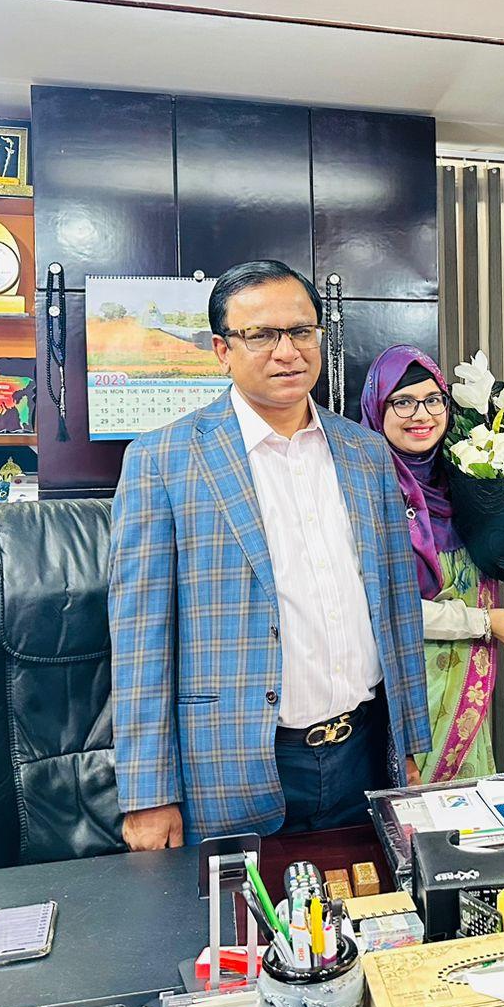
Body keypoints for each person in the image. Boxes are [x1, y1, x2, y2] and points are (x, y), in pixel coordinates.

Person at [109, 260, 432, 849]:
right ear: (222, 350)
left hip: (363, 754)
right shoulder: (163, 460)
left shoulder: (365, 453)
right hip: (231, 765)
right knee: (236, 911)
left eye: (301, 331)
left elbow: (397, 607)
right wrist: (148, 794)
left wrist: (409, 743)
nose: (287, 352)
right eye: (260, 335)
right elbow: (139, 639)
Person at [359, 345, 504, 782]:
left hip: (466, 680)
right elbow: (377, 608)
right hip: (404, 688)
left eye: (433, 400)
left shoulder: (466, 479)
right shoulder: (364, 492)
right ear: (377, 407)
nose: (421, 415)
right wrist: (484, 623)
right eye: (402, 402)